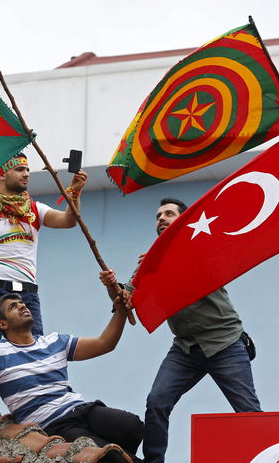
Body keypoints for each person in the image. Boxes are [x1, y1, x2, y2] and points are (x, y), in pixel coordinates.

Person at [110, 197, 260, 463]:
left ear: (183, 220)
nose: (161, 218)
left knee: (248, 411)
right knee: (156, 402)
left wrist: (168, 261)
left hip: (224, 342)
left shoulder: (203, 246)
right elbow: (127, 298)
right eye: (158, 216)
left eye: (168, 213)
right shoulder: (150, 261)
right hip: (185, 347)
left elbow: (205, 276)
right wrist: (113, 286)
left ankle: (269, 455)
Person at [0, 287, 142, 461]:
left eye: (21, 303)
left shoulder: (54, 342)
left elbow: (104, 344)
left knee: (132, 425)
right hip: (54, 424)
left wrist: (121, 311)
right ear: (3, 324)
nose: (22, 306)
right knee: (107, 456)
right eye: (13, 307)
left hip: (82, 408)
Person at [0, 153, 87, 411]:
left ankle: (44, 408)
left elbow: (69, 221)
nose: (26, 174)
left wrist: (75, 191)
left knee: (37, 350)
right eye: (19, 169)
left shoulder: (35, 209)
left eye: (27, 169)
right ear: (3, 174)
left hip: (27, 294)